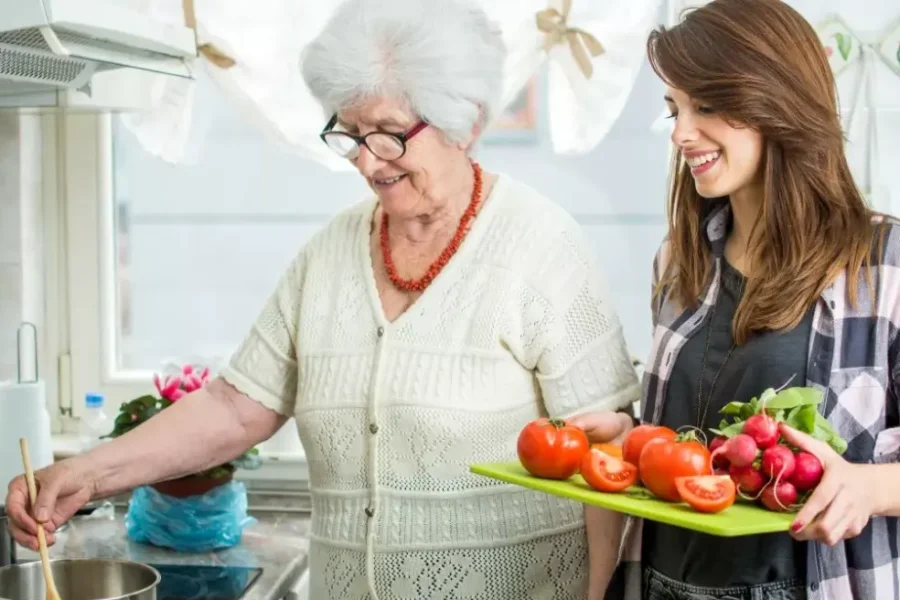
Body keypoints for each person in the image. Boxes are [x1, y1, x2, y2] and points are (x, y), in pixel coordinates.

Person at [4, 0, 641, 598]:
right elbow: (235, 406)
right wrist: (85, 473)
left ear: (465, 121)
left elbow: (605, 454)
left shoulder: (540, 245)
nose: (367, 162)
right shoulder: (331, 254)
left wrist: (599, 594)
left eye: (389, 134)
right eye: (350, 133)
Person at [588, 1, 900, 599]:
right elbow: (702, 448)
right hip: (660, 583)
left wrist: (866, 487)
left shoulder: (882, 265)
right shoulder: (679, 260)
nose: (681, 131)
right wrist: (630, 434)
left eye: (706, 105)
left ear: (775, 101)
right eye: (675, 108)